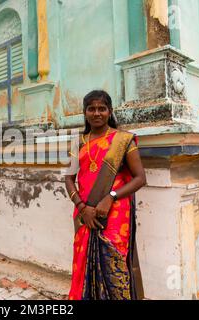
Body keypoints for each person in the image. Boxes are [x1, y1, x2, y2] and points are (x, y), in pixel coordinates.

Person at [64, 90, 147, 300]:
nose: (97, 113)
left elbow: (140, 178)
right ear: (85, 113)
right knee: (84, 267)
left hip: (115, 215)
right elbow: (68, 179)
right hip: (85, 215)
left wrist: (111, 196)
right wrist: (83, 208)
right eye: (91, 109)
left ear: (110, 112)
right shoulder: (78, 143)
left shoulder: (123, 141)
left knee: (114, 265)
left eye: (102, 108)